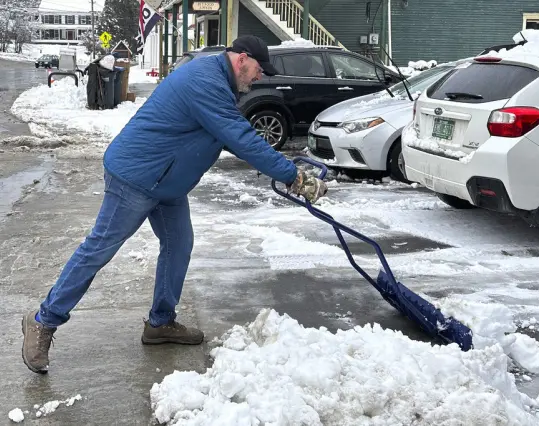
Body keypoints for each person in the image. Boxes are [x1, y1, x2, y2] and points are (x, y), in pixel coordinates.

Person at [21, 35, 327, 374]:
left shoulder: (218, 78)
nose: (260, 77)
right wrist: (293, 177)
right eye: (258, 69)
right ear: (241, 59)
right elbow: (240, 137)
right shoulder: (205, 81)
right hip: (135, 177)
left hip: (166, 183)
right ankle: (42, 321)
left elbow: (225, 133)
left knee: (179, 244)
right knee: (100, 249)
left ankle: (160, 322)